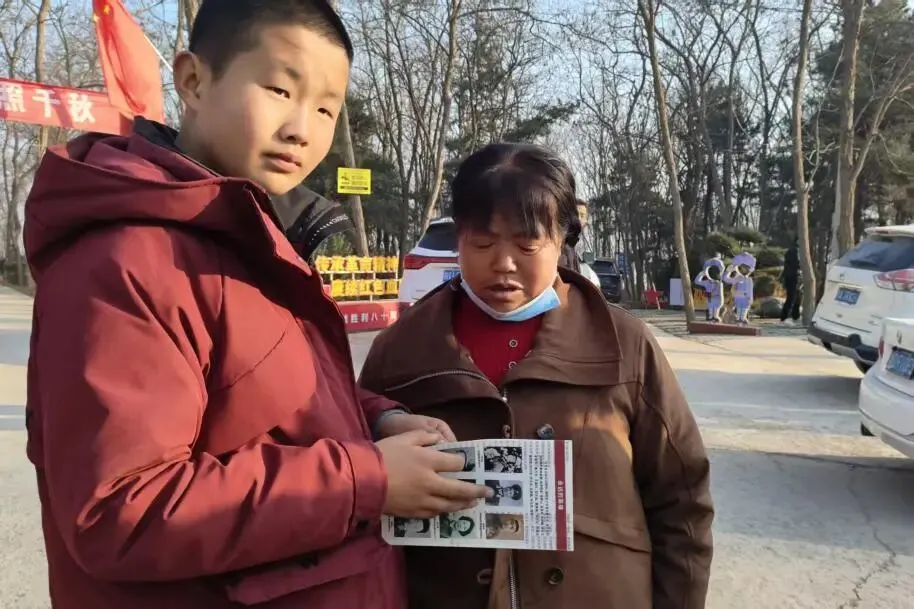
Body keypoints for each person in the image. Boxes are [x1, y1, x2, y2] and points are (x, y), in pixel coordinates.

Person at [22, 2, 489, 608]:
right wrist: (367, 479)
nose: (302, 128)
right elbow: (122, 511)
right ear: (193, 80)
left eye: (326, 108)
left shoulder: (258, 245)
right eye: (279, 90)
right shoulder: (127, 262)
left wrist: (376, 420)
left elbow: (268, 403)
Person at [359, 142, 714, 609]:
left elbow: (681, 501)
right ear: (459, 237)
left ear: (562, 240)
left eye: (527, 245)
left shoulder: (624, 345)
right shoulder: (401, 349)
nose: (503, 263)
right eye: (482, 243)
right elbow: (360, 490)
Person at [780, 237, 802, 324]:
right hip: (791, 277)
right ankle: (784, 317)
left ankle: (795, 316)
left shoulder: (799, 251)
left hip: (796, 277)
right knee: (791, 297)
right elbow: (793, 264)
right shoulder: (792, 251)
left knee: (798, 297)